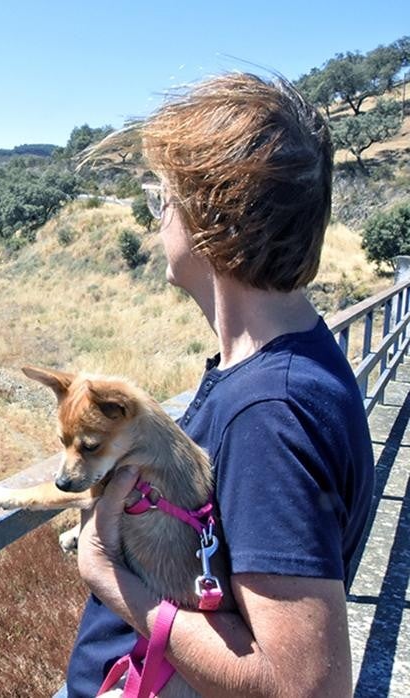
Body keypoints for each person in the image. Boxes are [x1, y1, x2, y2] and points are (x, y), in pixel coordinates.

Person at [66, 73, 375, 696]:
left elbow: (305, 687)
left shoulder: (269, 414)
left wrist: (106, 575)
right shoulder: (294, 365)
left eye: (162, 199)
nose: (158, 220)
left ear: (209, 221)